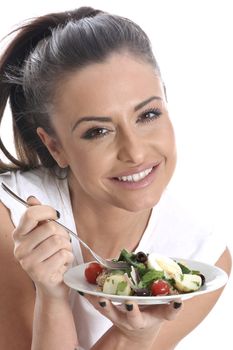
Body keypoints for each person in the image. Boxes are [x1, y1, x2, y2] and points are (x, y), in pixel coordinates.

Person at [0, 6, 231, 350]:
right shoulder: (11, 222)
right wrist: (53, 297)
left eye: (148, 114)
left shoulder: (204, 262)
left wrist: (135, 335)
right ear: (55, 146)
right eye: (98, 131)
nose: (135, 153)